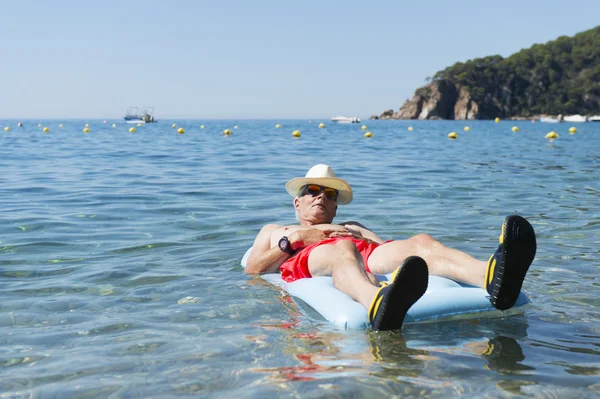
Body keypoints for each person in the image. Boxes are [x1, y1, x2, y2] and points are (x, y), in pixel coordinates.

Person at [245, 164, 536, 331]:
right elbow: (253, 269)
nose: (321, 196)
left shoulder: (352, 225)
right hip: (309, 256)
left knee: (420, 242)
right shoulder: (276, 231)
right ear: (297, 202)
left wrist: (398, 256)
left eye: (329, 193)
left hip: (362, 253)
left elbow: (387, 248)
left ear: (335, 205)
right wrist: (295, 240)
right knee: (342, 249)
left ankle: (493, 275)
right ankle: (375, 302)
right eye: (312, 190)